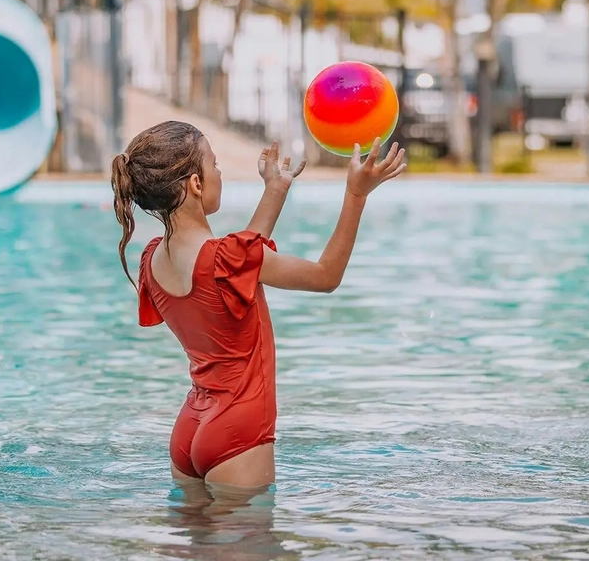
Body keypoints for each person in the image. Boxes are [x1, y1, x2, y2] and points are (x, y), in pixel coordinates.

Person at [110, 121, 406, 490]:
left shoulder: (153, 259)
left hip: (190, 429)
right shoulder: (227, 259)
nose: (220, 173)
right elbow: (325, 276)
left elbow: (235, 265)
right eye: (214, 165)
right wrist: (356, 195)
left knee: (193, 547)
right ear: (196, 184)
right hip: (238, 432)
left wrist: (275, 190)